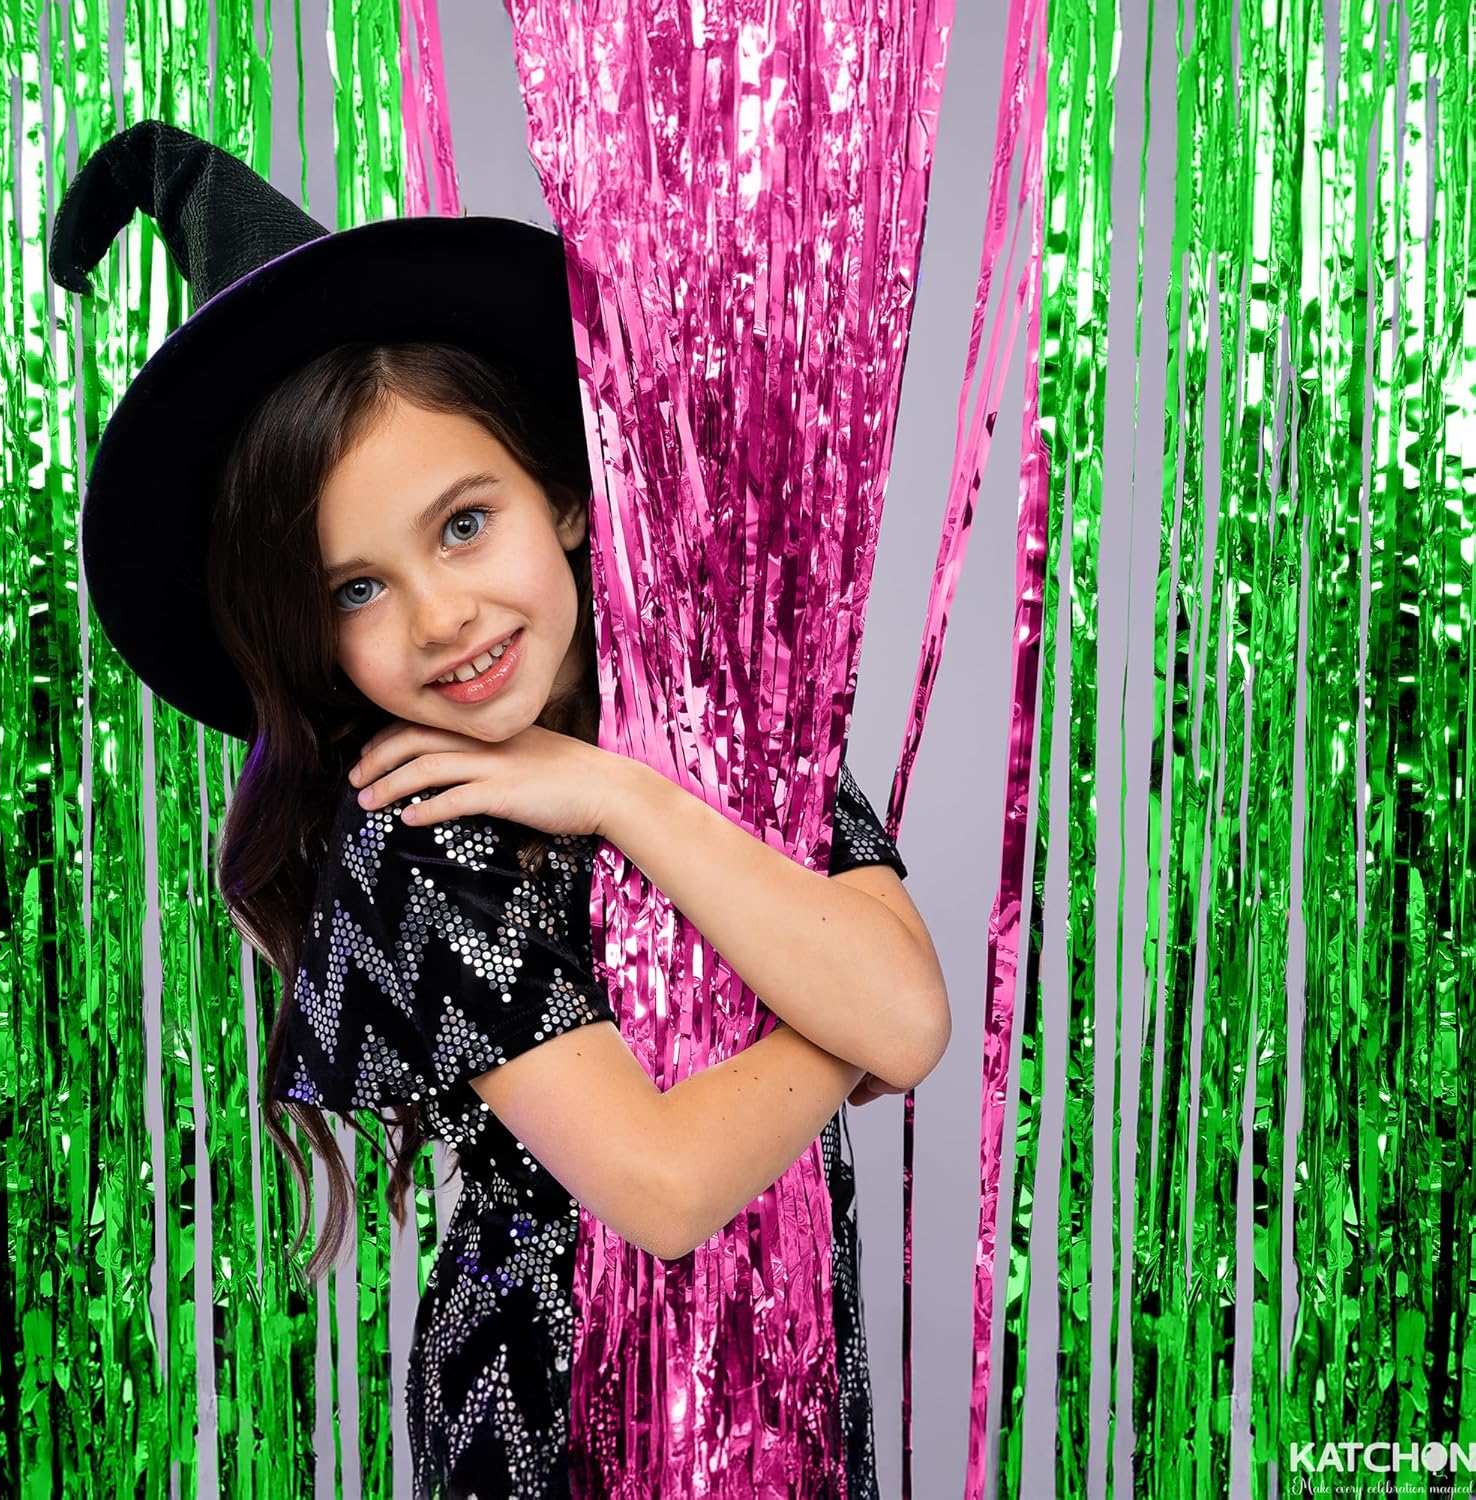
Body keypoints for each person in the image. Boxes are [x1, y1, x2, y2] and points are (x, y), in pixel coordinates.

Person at [49, 121, 950, 1500]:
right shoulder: (413, 830)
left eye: (464, 523)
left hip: (787, 1377)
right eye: (357, 589)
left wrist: (615, 793)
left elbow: (911, 1019)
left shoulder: (741, 733)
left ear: (564, 499)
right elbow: (663, 1186)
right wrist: (846, 1022)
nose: (441, 617)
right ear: (310, 639)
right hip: (552, 1416)